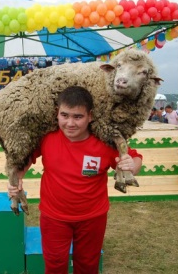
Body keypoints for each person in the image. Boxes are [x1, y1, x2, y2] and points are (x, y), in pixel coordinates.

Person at [8, 86, 143, 273]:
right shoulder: (46, 138)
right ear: (57, 113)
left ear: (91, 116)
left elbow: (136, 159)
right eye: (65, 115)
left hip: (92, 218)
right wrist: (17, 179)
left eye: (78, 117)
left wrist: (131, 166)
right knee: (55, 266)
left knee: (87, 266)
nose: (70, 123)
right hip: (53, 217)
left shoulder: (105, 143)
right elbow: (25, 159)